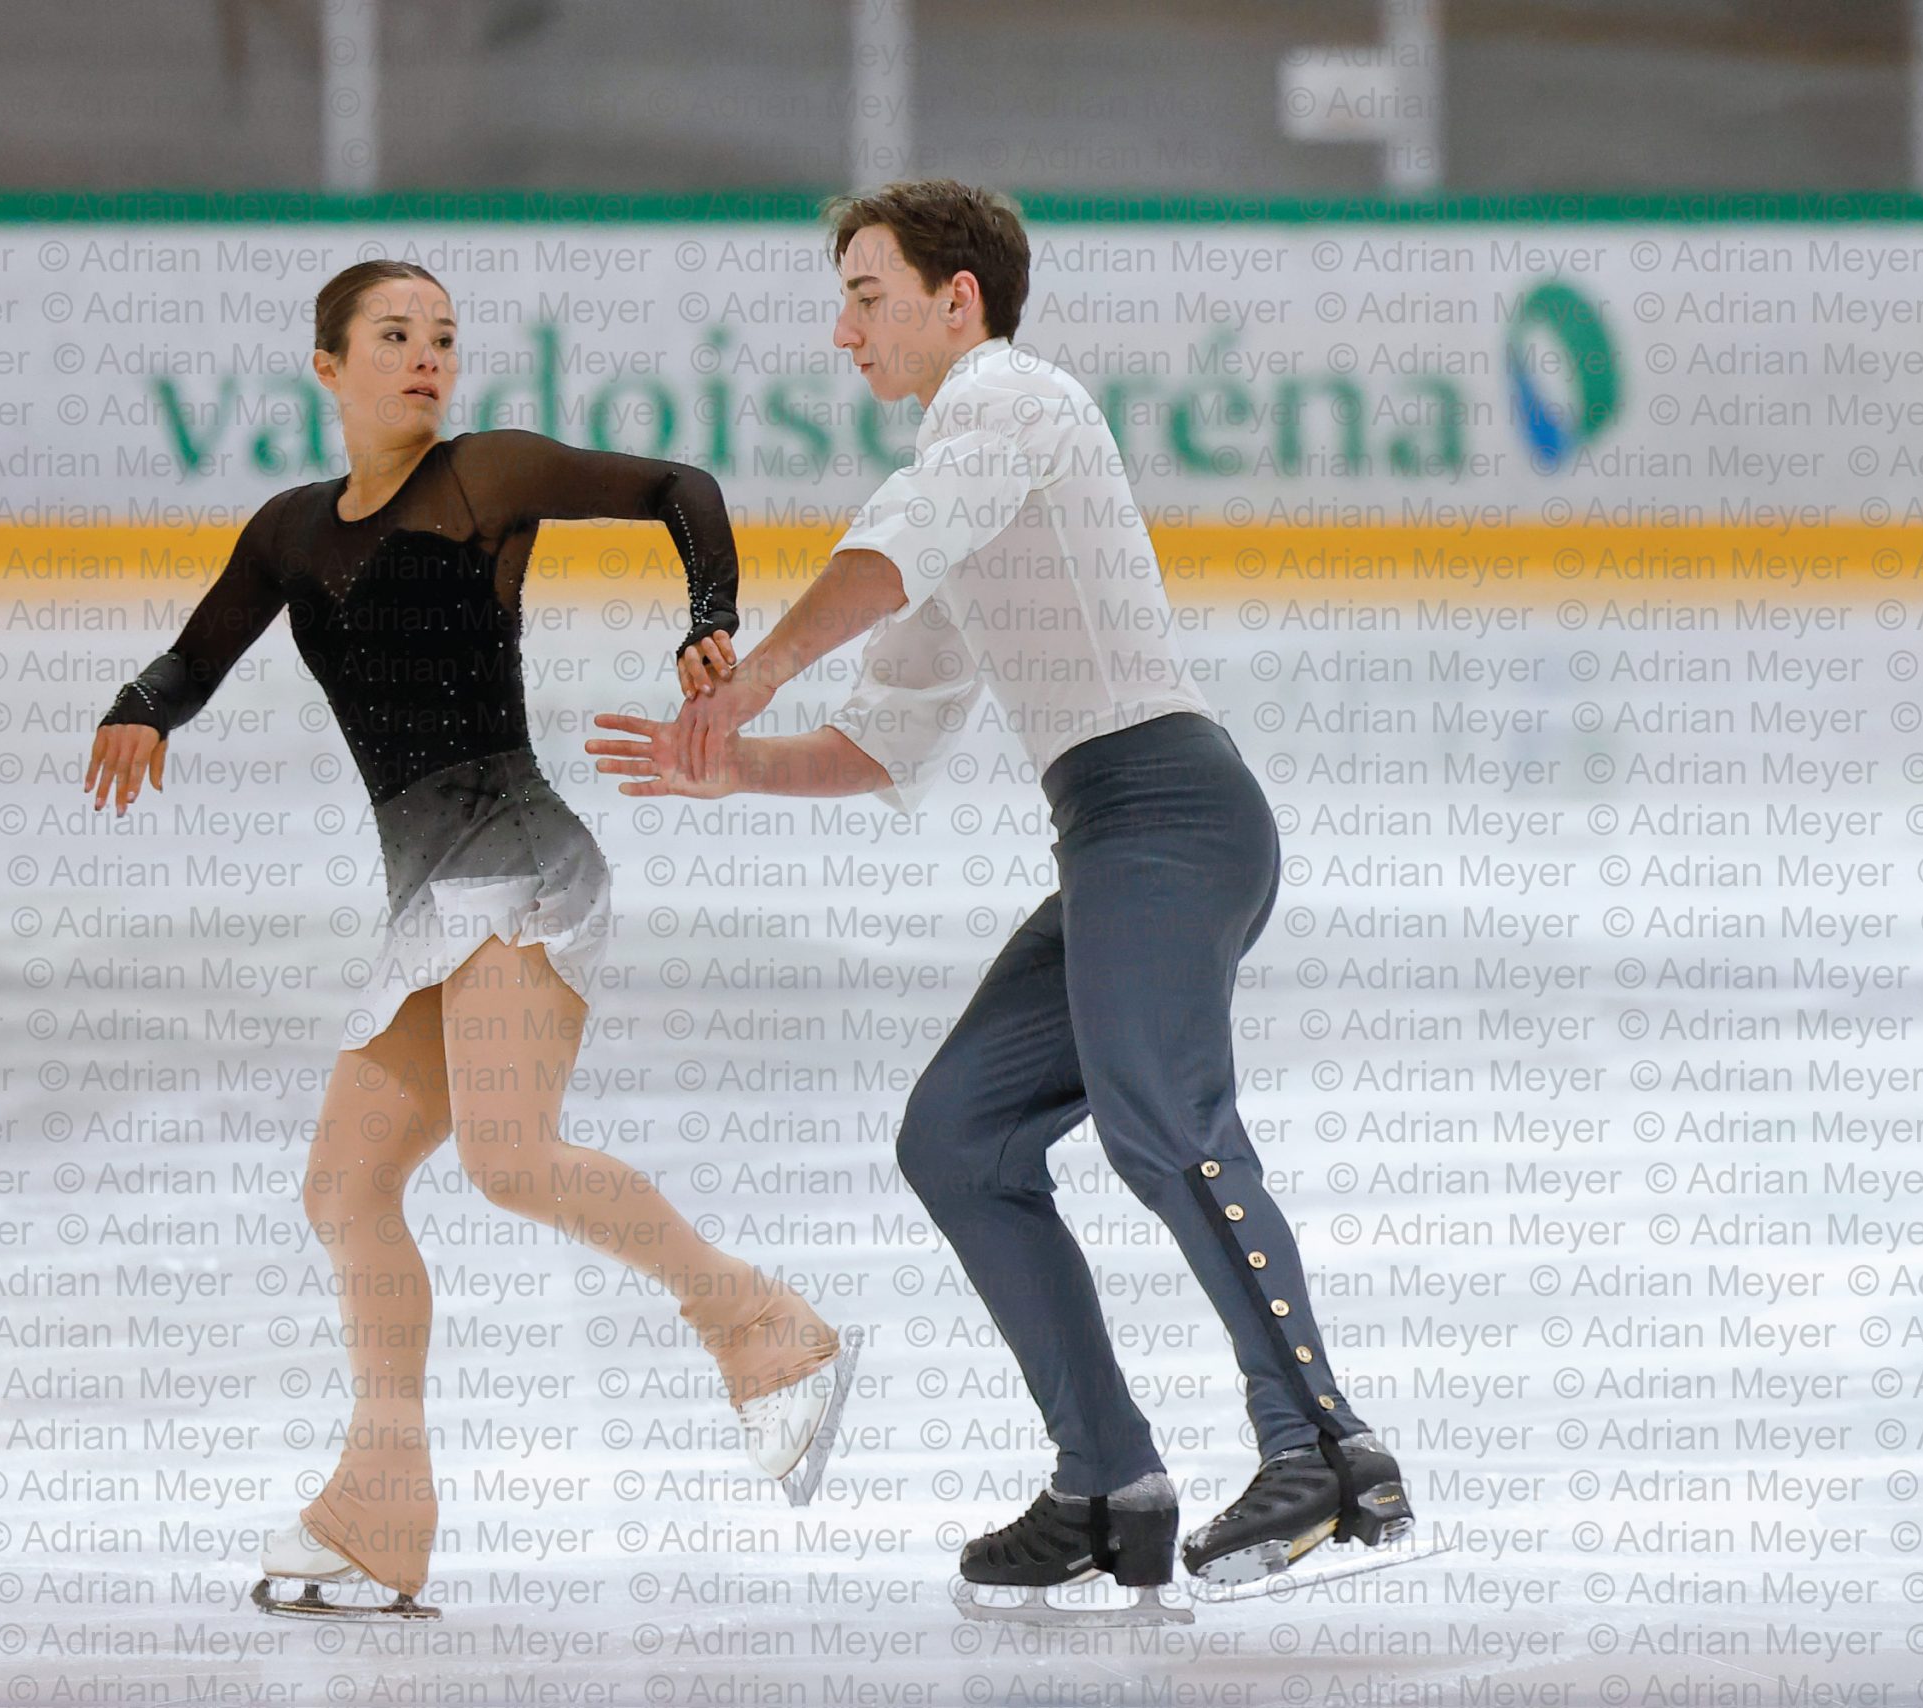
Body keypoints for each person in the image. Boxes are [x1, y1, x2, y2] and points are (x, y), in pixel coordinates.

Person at [590, 181, 1415, 1617]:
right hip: (1110, 838)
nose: (841, 328)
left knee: (1164, 1123)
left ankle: (1324, 1443)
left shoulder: (1015, 401)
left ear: (956, 297)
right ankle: (1109, 1477)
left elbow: (890, 545)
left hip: (1174, 812)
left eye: (865, 291)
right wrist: (732, 769)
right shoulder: (963, 465)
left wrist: (758, 669)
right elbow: (888, 736)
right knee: (959, 1135)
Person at [85, 260, 856, 1620]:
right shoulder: (288, 533)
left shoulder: (483, 480)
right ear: (328, 366)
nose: (426, 358)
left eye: (443, 338)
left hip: (516, 862)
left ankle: (759, 1326)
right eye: (394, 338)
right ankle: (382, 1499)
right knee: (344, 1188)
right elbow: (194, 657)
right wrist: (139, 705)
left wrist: (709, 619)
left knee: (509, 1159)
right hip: (428, 892)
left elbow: (680, 488)